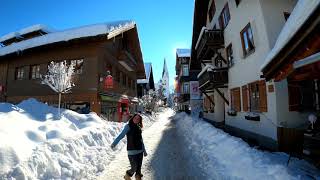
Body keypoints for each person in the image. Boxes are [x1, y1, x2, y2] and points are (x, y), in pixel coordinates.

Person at [111, 113, 147, 180]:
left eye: (138, 119)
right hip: (132, 151)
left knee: (139, 168)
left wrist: (144, 150)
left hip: (140, 151)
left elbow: (141, 140)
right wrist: (114, 143)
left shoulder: (138, 128)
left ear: (139, 120)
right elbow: (121, 135)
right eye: (135, 118)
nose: (136, 120)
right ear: (132, 118)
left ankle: (138, 178)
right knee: (134, 167)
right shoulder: (128, 126)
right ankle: (127, 175)